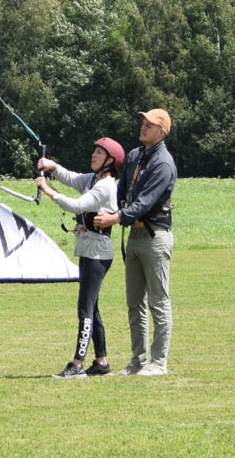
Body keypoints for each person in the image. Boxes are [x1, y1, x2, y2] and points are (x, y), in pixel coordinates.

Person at [93, 108, 176, 376]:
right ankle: (138, 361)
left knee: (158, 302)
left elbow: (144, 203)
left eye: (150, 125)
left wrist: (115, 218)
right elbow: (121, 193)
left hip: (155, 237)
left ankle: (158, 363)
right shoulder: (134, 156)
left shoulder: (163, 163)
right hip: (134, 236)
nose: (143, 127)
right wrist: (104, 212)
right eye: (142, 122)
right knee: (133, 303)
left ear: (161, 132)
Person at [36, 137, 124, 378]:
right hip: (90, 251)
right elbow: (73, 178)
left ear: (109, 161)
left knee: (84, 309)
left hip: (97, 254)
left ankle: (77, 364)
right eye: (94, 150)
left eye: (99, 153)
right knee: (92, 307)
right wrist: (53, 167)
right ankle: (102, 362)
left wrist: (48, 191)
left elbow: (77, 205)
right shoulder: (94, 179)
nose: (93, 155)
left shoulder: (105, 186)